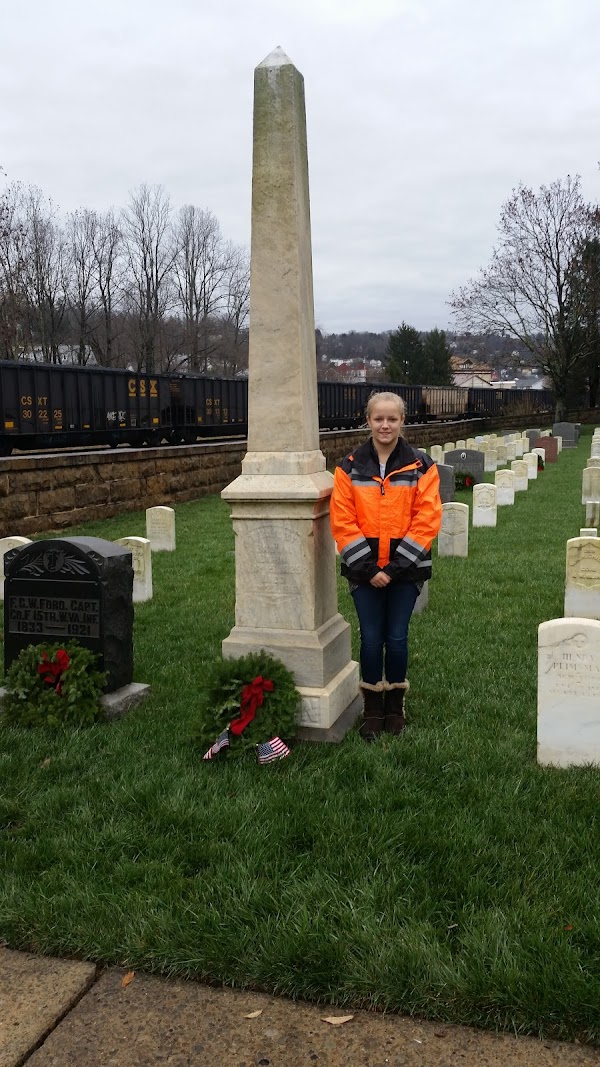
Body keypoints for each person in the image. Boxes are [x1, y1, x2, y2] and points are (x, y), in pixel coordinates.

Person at [329, 391, 442, 740]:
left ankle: (394, 705)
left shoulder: (421, 465)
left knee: (396, 638)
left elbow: (427, 518)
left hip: (405, 572)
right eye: (378, 418)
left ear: (402, 421)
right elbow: (343, 520)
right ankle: (372, 708)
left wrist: (392, 569)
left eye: (392, 419)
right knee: (370, 638)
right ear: (368, 420)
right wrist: (369, 569)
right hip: (363, 573)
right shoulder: (348, 466)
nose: (385, 425)